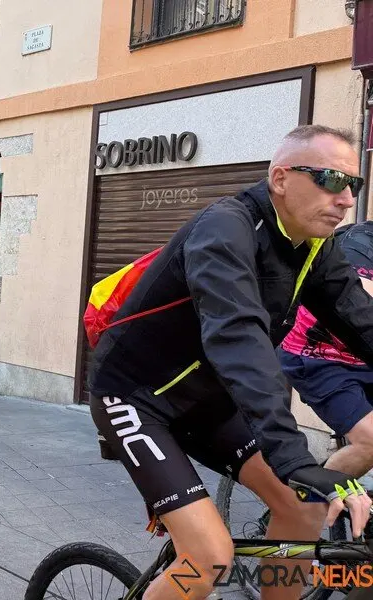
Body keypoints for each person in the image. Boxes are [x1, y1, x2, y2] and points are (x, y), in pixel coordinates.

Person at [87, 124, 372, 600]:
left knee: (304, 512)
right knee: (207, 558)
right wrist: (295, 458)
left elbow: (361, 322)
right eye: (329, 179)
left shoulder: (313, 247)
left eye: (354, 185)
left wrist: (298, 474)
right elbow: (239, 340)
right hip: (138, 399)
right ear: (280, 179)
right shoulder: (225, 229)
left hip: (209, 404)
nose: (345, 199)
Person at [279, 220, 373, 481]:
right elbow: (360, 304)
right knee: (369, 443)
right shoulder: (361, 242)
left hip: (364, 357)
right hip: (317, 358)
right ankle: (300, 510)